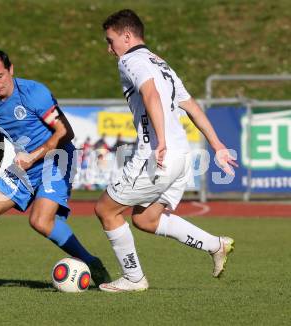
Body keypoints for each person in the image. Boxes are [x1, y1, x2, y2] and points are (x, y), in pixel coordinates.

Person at [0, 48, 110, 288]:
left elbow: (65, 132)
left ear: (11, 70)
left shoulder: (33, 93)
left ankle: (92, 263)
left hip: (56, 159)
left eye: (0, 76)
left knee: (40, 220)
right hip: (25, 166)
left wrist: (34, 156)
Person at [95, 9, 238, 292]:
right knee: (146, 219)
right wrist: (217, 144)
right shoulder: (162, 64)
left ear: (127, 36)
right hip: (183, 157)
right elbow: (193, 106)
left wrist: (160, 140)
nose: (109, 48)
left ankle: (133, 279)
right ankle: (215, 245)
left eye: (111, 40)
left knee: (106, 210)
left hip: (157, 155)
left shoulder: (130, 60)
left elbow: (150, 94)